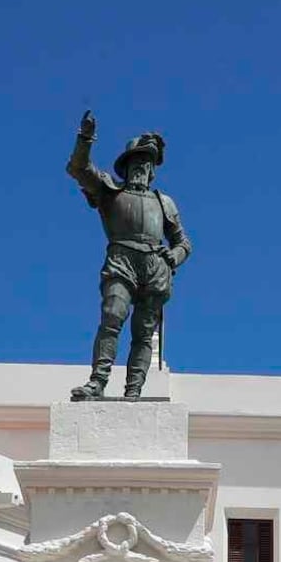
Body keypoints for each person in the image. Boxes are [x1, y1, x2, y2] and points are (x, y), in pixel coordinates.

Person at [65, 111, 190, 401]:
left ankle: (134, 389)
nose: (140, 167)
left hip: (155, 268)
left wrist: (173, 256)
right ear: (127, 165)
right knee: (112, 316)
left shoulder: (164, 202)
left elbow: (183, 241)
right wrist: (86, 139)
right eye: (136, 161)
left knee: (144, 333)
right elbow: (79, 168)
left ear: (152, 170)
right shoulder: (111, 191)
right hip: (121, 259)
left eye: (145, 163)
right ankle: (98, 382)